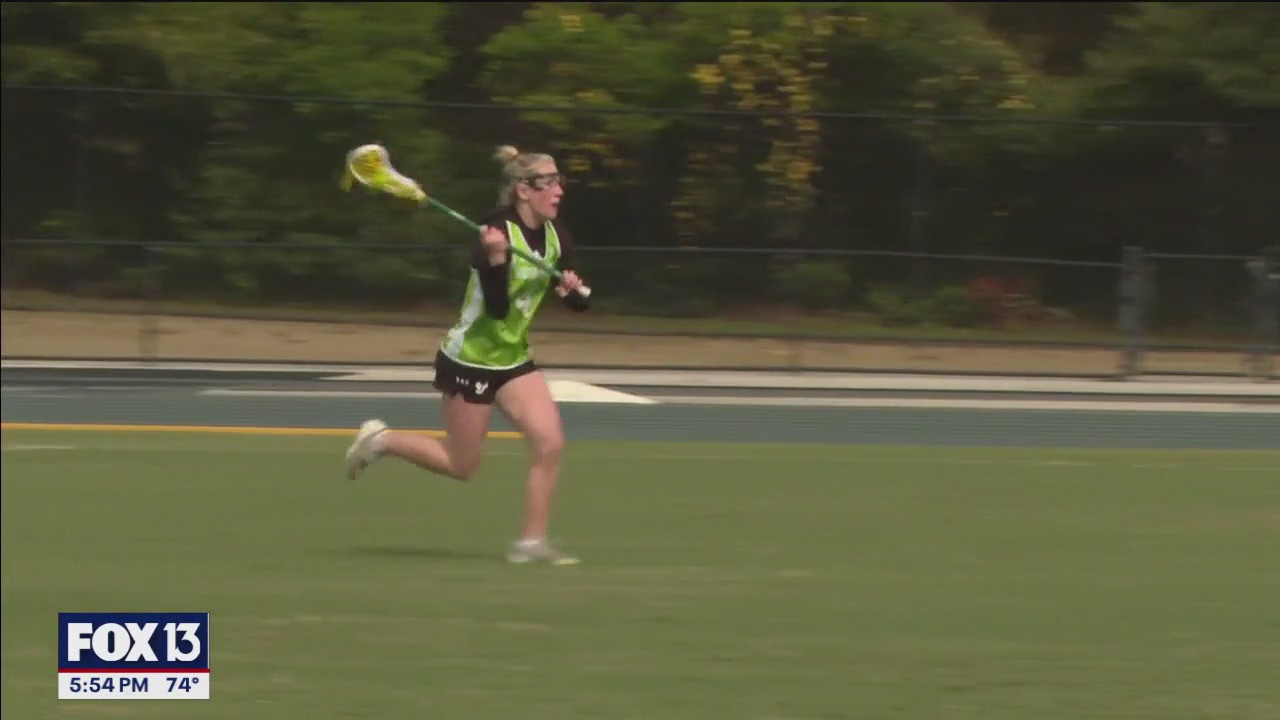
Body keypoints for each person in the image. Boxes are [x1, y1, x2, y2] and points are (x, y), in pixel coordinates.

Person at [344, 144, 591, 566]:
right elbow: (496, 308)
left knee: (550, 445)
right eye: (547, 182)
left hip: (512, 359)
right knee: (462, 465)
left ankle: (531, 544)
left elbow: (576, 301)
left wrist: (571, 292)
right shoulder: (492, 236)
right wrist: (495, 262)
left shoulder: (555, 235)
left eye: (558, 180)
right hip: (470, 360)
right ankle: (379, 441)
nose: (558, 190)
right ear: (523, 191)